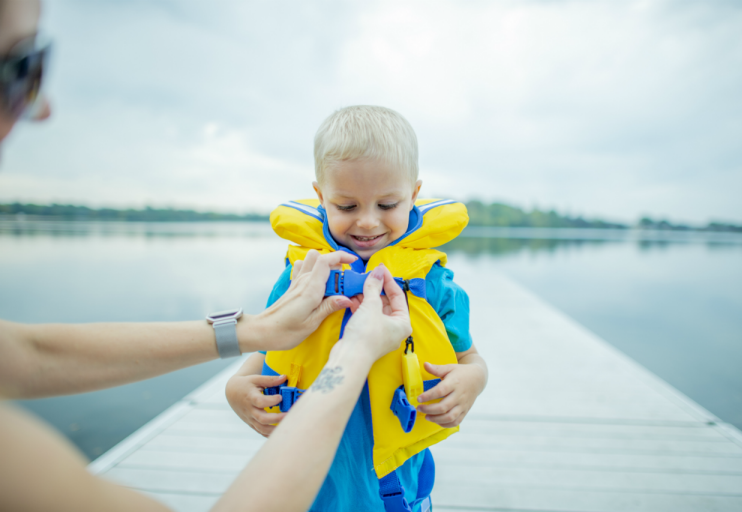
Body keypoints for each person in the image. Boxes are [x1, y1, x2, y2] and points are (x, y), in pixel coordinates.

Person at [0, 1, 414, 511]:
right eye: (22, 71)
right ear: (321, 195)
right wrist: (352, 356)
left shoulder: (425, 278)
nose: (42, 108)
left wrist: (251, 330)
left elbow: (26, 356)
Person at [226, 106, 488, 511]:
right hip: (308, 479)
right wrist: (235, 388)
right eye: (347, 206)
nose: (367, 222)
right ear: (321, 197)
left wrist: (473, 381)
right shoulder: (304, 273)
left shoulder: (432, 283)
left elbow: (469, 356)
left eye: (387, 205)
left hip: (391, 485)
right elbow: (266, 345)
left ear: (414, 195)